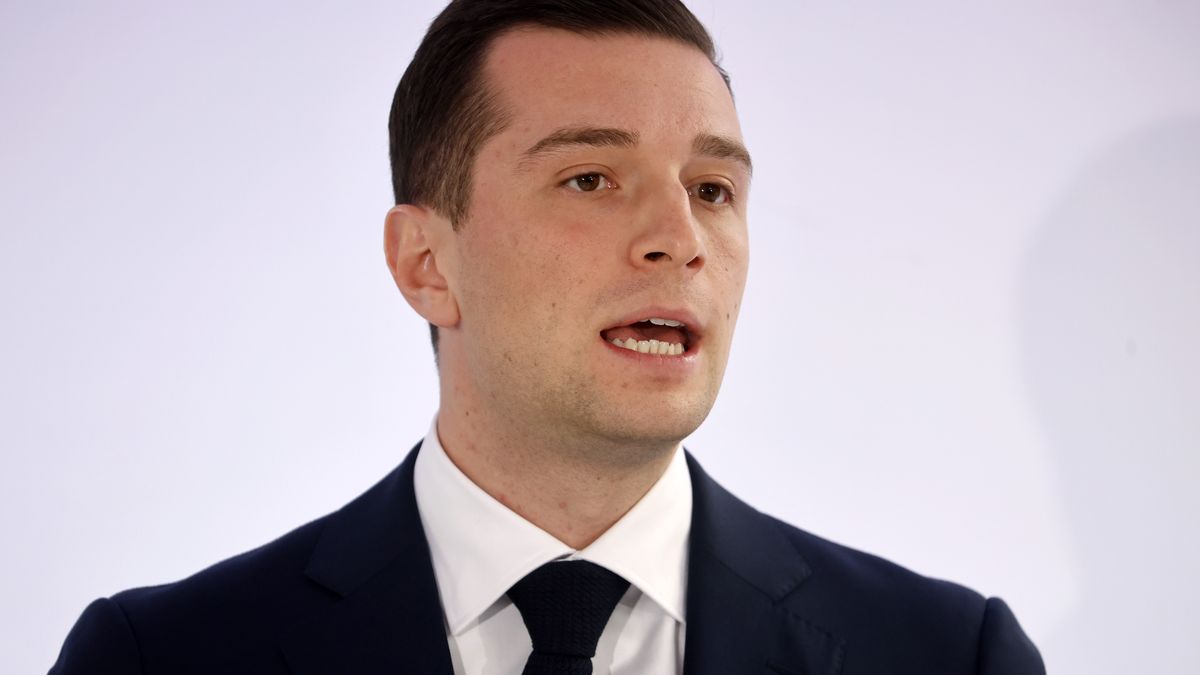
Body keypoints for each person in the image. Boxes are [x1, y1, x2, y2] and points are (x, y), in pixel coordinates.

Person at [50, 1, 1045, 673]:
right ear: (425, 264)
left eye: (712, 190)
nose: (681, 240)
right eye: (589, 180)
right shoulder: (160, 658)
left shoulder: (947, 655)